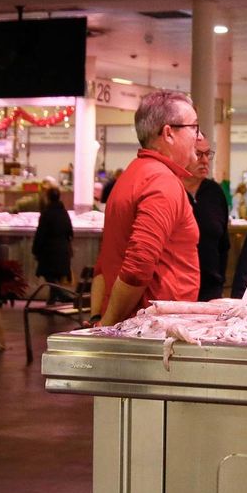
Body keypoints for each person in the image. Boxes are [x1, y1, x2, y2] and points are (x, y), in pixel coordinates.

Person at [93, 90, 202, 325]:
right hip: (152, 330)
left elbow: (104, 261)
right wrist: (107, 325)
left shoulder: (134, 174)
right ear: (168, 133)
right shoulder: (161, 181)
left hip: (138, 326)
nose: (199, 136)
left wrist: (99, 318)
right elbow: (137, 267)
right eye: (194, 127)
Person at [184, 135, 230, 301]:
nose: (205, 161)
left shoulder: (215, 192)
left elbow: (223, 245)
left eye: (207, 154)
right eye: (198, 154)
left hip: (211, 290)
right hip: (177, 289)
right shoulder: (170, 190)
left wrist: (220, 283)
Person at [31, 179, 74, 299]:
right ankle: (52, 301)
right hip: (63, 252)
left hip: (48, 253)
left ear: (48, 197)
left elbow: (40, 233)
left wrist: (35, 250)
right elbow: (70, 232)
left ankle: (62, 295)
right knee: (55, 277)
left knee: (47, 274)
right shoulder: (64, 213)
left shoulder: (46, 213)